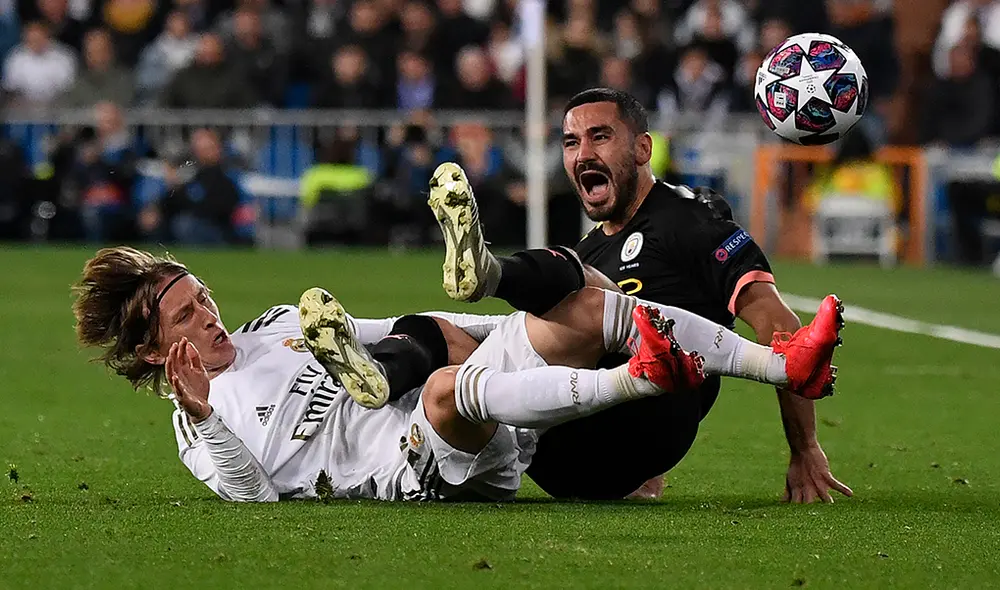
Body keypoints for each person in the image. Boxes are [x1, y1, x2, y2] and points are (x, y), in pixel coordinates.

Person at [71, 246, 842, 502]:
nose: (206, 314)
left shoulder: (275, 325)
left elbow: (394, 326)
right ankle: (643, 377)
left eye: (200, 296)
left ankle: (784, 363)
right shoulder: (194, 430)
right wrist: (204, 413)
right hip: (411, 474)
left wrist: (506, 328)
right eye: (185, 318)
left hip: (446, 401)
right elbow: (253, 499)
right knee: (445, 388)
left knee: (574, 293)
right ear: (151, 352)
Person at [426, 87, 853, 504]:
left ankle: (491, 274)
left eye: (600, 136)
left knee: (586, 294)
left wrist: (805, 448)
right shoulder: (588, 249)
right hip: (560, 455)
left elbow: (779, 326)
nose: (583, 154)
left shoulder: (689, 221)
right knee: (449, 343)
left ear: (642, 149)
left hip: (651, 421)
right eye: (571, 142)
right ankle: (388, 431)